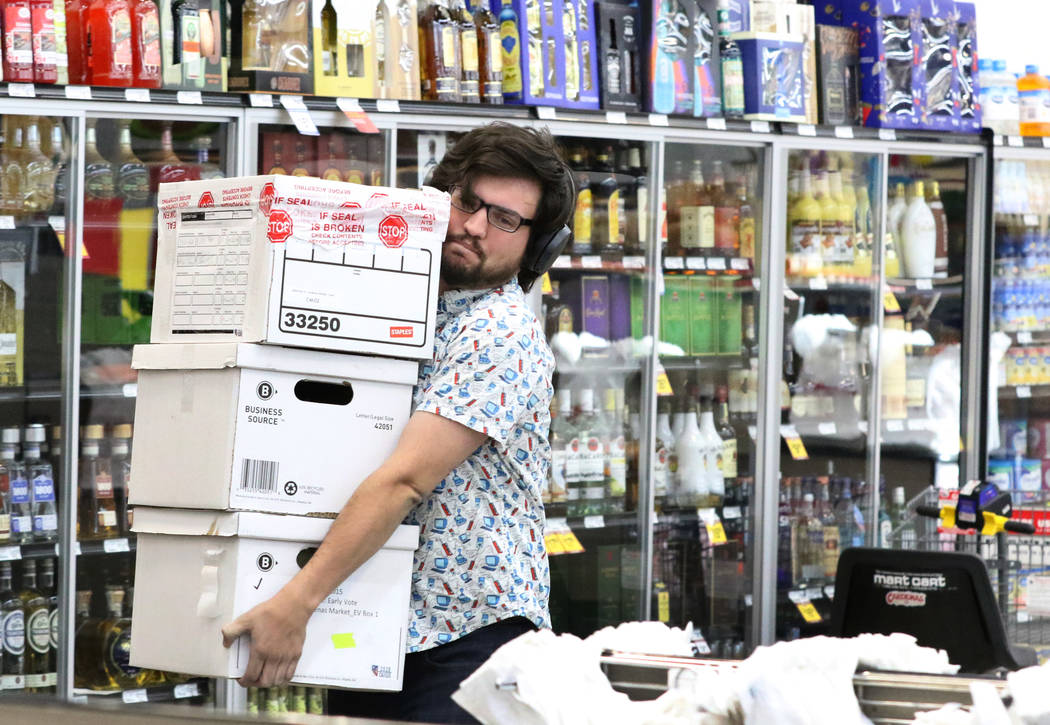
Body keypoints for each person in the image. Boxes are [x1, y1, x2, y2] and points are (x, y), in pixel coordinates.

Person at [221, 121, 575, 724]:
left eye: (506, 219)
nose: (473, 226)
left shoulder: (499, 333)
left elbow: (404, 482)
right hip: (377, 622)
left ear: (537, 247)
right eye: (467, 202)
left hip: (466, 643)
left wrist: (295, 603)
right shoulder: (399, 304)